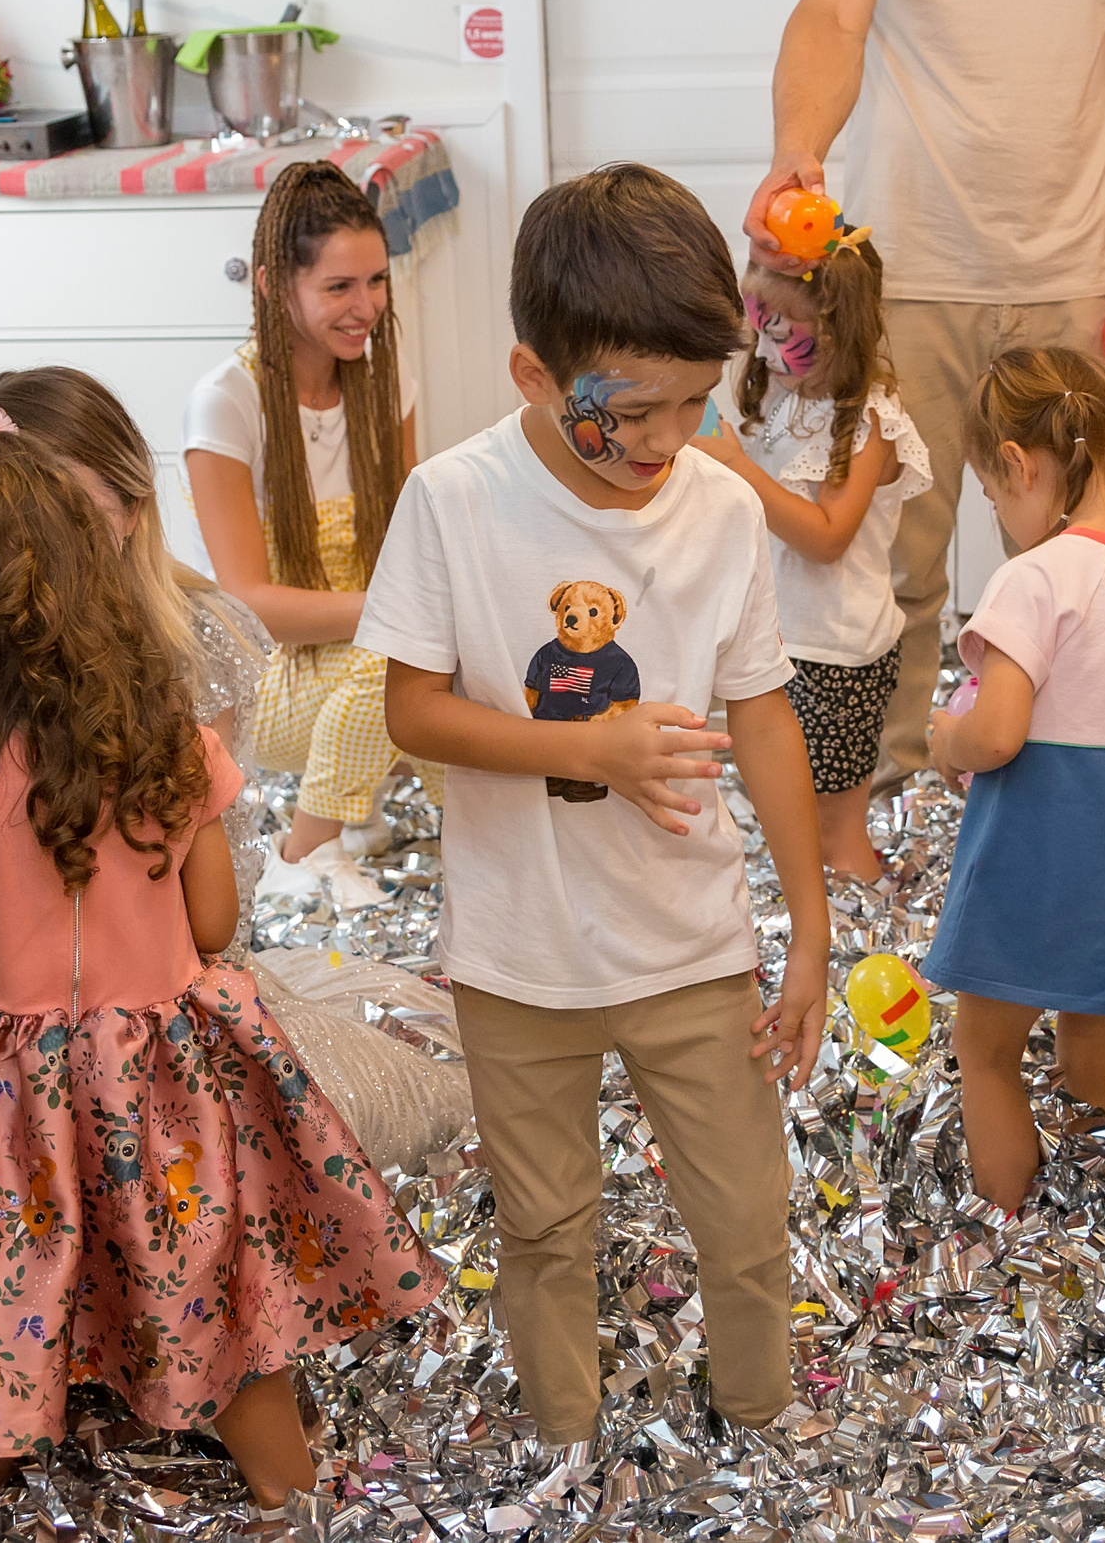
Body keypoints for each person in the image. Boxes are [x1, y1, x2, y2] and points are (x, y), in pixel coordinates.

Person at [0, 409, 439, 1510]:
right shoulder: (173, 740)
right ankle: (283, 1487)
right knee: (213, 1279)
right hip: (162, 1078)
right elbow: (209, 926)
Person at [357, 164, 833, 1446]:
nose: (668, 440)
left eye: (696, 402)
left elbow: (763, 712)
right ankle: (564, 1445)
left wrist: (809, 926)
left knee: (746, 1217)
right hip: (521, 959)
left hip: (691, 945)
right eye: (631, 411)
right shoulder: (454, 502)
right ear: (533, 378)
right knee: (546, 1226)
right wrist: (593, 745)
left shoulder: (724, 510)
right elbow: (412, 713)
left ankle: (763, 1417)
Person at [0, 370, 470, 1226]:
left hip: (105, 1026)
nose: (33, 557)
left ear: (132, 510)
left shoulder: (200, 649)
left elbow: (205, 923)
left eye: (64, 523)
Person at [750, 0, 1105, 783]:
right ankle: (893, 800)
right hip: (909, 266)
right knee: (893, 570)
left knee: (1080, 566)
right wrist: (799, 145)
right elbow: (835, 9)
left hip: (1075, 268)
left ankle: (1062, 791)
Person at [921, 347, 1105, 1213]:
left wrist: (944, 738)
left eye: (992, 496)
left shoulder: (1036, 576)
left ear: (1021, 466)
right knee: (1094, 1048)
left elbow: (997, 734)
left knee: (986, 1048)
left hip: (1041, 854)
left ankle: (1010, 1230)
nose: (998, 513)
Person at [183, 159, 433, 911]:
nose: (366, 308)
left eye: (376, 282)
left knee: (460, 653)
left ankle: (485, 833)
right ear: (270, 285)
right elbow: (247, 603)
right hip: (266, 675)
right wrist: (398, 611)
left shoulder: (385, 380)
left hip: (359, 649)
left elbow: (412, 541)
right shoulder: (226, 401)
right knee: (401, 654)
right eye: (338, 288)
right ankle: (302, 848)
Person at [689, 234, 930, 882]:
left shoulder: (869, 419)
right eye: (757, 329)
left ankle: (860, 917)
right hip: (781, 636)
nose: (762, 350)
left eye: (779, 333)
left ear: (837, 328)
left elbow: (827, 538)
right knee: (787, 804)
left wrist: (739, 468)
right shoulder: (788, 393)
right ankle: (808, 909)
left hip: (837, 652)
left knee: (834, 830)